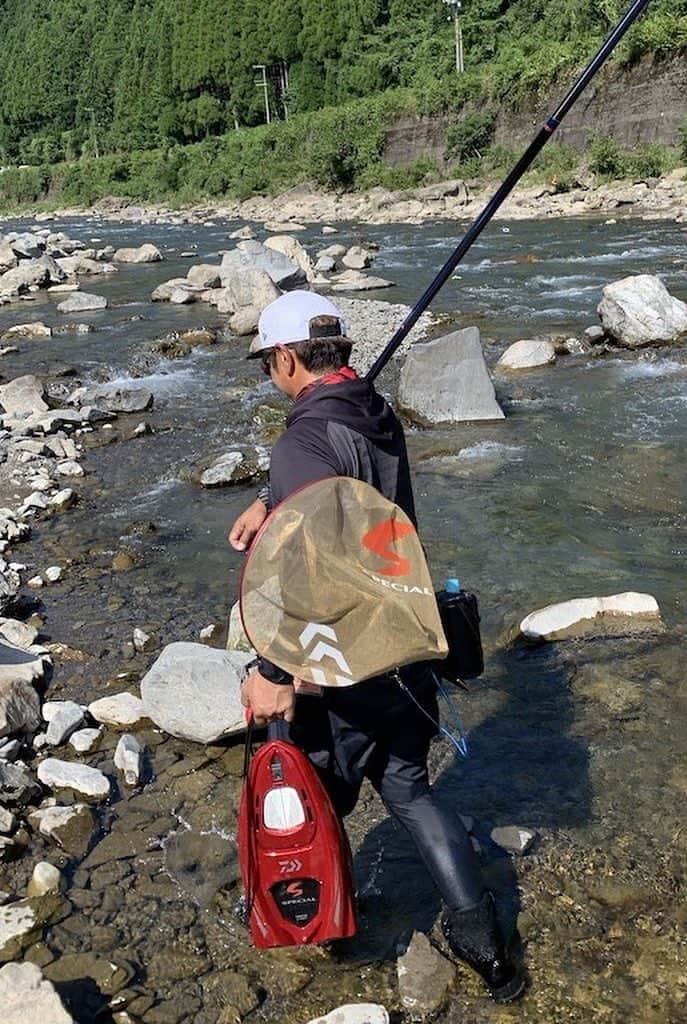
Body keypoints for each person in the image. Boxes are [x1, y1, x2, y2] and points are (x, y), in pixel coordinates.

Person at [229, 290, 524, 1002]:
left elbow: (305, 567)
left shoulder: (303, 441)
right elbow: (346, 491)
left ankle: (319, 922)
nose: (271, 374)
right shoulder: (373, 410)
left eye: (270, 362)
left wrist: (272, 671)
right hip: (405, 640)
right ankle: (486, 948)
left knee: (309, 788)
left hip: (340, 661)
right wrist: (276, 499)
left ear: (288, 357)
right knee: (411, 791)